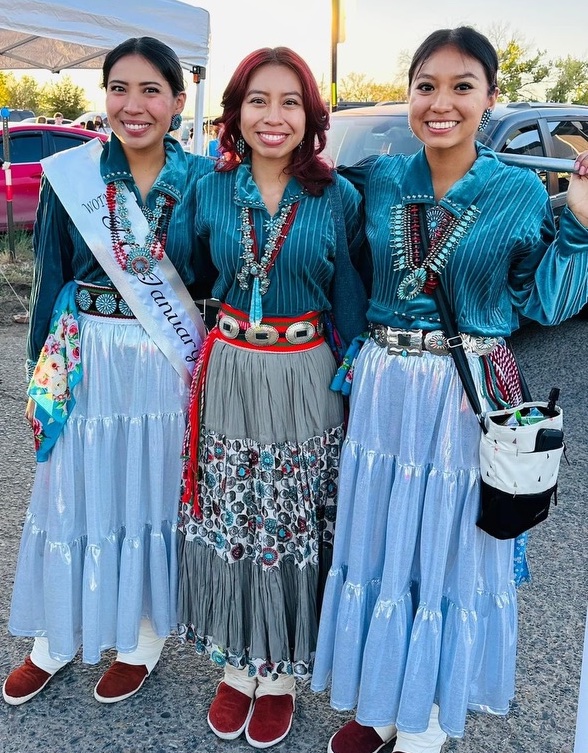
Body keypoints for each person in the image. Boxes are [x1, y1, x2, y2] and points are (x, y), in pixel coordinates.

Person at [310, 26, 588, 753]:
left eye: (462, 86)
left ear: (491, 98)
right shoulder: (378, 178)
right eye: (425, 85)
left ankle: (430, 712)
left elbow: (547, 301)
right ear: (408, 94)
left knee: (450, 543)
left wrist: (582, 226)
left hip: (468, 389)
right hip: (384, 385)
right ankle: (380, 696)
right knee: (380, 540)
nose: (441, 101)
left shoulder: (517, 191)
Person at [3, 36, 214, 707]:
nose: (134, 104)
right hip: (86, 349)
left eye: (151, 90)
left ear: (179, 102)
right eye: (119, 88)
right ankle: (55, 634)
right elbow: (49, 277)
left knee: (149, 493)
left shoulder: (206, 183)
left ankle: (143, 636)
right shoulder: (73, 176)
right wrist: (42, 375)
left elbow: (216, 278)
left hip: (163, 362)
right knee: (71, 489)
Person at [177, 47, 365, 749]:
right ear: (235, 112)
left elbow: (348, 300)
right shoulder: (209, 189)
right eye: (258, 100)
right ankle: (234, 665)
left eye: (290, 102)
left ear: (311, 115)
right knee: (231, 514)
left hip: (303, 371)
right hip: (228, 363)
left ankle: (278, 674)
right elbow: (189, 272)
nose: (273, 116)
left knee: (287, 521)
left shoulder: (336, 196)